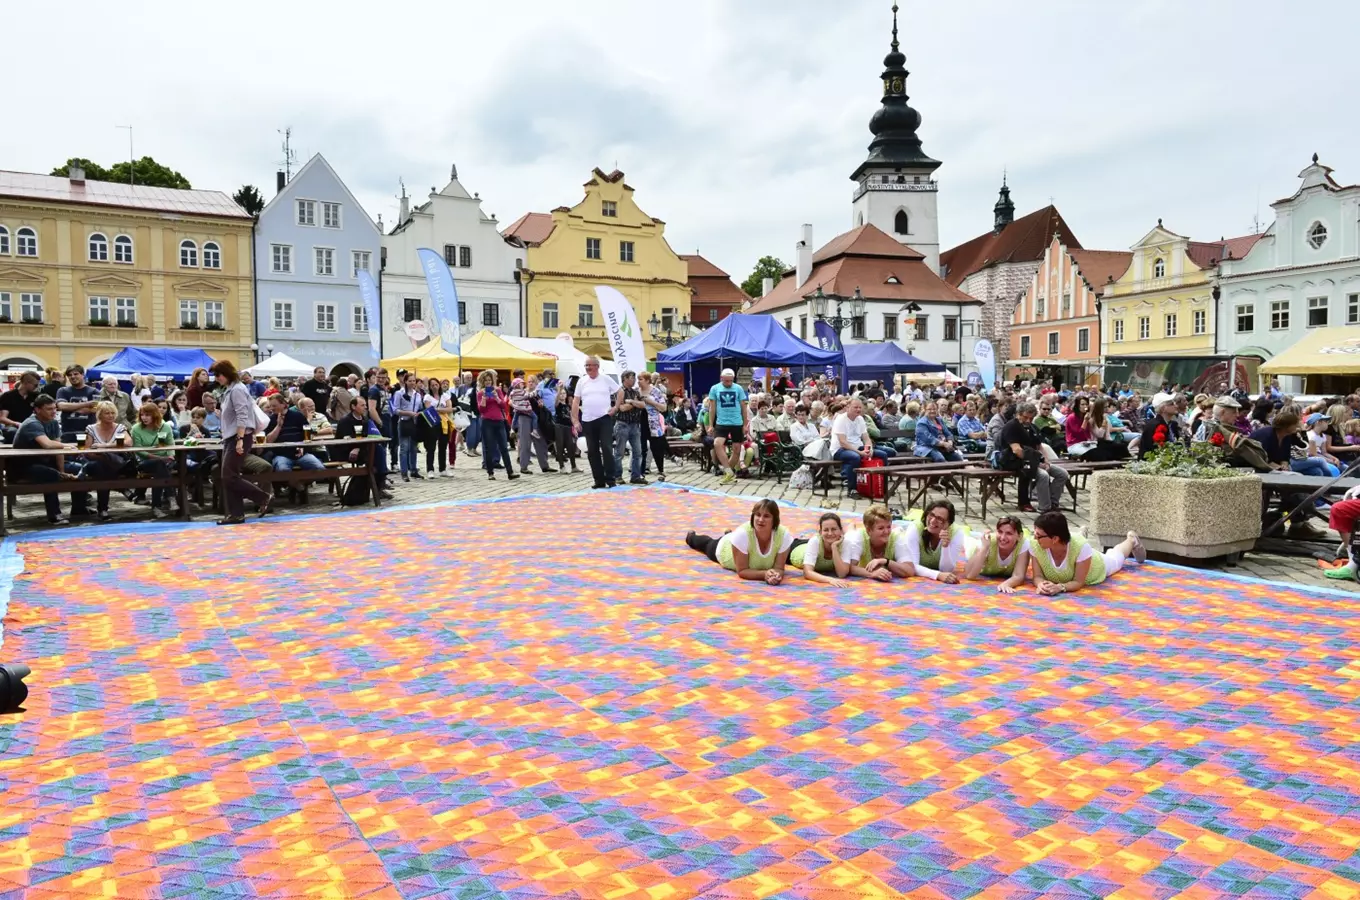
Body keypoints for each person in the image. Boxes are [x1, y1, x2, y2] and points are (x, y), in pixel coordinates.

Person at [12, 394, 91, 523]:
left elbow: (57, 448)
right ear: (37, 410)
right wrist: (68, 446)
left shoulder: (53, 422)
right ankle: (54, 515)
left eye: (54, 408)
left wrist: (62, 470)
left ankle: (79, 508)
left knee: (80, 468)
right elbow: (48, 444)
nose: (54, 412)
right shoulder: (32, 423)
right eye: (49, 409)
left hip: (46, 462)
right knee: (50, 475)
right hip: (24, 466)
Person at [211, 359, 272, 525]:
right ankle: (236, 514)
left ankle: (263, 497)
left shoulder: (237, 389)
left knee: (229, 476)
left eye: (218, 374)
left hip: (239, 437)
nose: (216, 378)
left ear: (227, 373)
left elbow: (242, 415)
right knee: (230, 476)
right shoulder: (231, 389)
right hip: (233, 437)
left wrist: (239, 439)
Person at [1026, 511, 1144, 594]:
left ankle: (1131, 540)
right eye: (1035, 533)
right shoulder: (1035, 544)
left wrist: (1060, 587)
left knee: (1116, 558)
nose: (1035, 537)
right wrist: (1040, 584)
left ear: (1055, 539)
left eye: (1039, 535)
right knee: (1078, 546)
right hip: (1074, 549)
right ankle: (1080, 535)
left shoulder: (1081, 547)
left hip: (1095, 566)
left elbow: (1078, 582)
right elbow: (1037, 576)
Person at [684, 499, 793, 583]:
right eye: (758, 515)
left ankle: (729, 534)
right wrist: (765, 575)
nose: (760, 520)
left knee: (737, 538)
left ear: (775, 520)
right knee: (706, 543)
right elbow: (742, 571)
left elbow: (779, 568)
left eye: (766, 516)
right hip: (724, 550)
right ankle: (691, 537)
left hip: (738, 540)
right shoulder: (742, 534)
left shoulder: (783, 535)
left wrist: (776, 576)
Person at [998, 401, 1070, 513]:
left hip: (1033, 459)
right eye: (1025, 417)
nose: (1028, 420)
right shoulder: (1011, 426)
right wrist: (1036, 462)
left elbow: (1039, 446)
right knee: (1043, 475)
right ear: (1018, 414)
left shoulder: (1032, 427)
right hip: (1014, 460)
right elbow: (1017, 450)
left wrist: (1046, 461)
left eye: (1031, 418)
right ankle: (1045, 508)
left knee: (1062, 474)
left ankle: (1053, 502)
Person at [571, 357, 619, 489]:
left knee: (607, 448)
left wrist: (616, 407)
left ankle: (611, 479)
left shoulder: (605, 379)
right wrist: (575, 420)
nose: (587, 368)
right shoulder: (582, 381)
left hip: (604, 418)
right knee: (592, 451)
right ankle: (599, 480)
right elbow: (575, 401)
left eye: (590, 365)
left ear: (597, 366)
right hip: (587, 420)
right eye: (586, 366)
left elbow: (620, 392)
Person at [83, 400, 133, 521]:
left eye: (112, 413)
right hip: (95, 462)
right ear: (100, 414)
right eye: (107, 413)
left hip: (112, 465)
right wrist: (102, 454)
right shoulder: (91, 428)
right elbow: (86, 450)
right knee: (102, 464)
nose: (111, 415)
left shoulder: (120, 427)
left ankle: (103, 510)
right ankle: (120, 489)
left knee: (104, 472)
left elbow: (128, 442)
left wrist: (106, 446)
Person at [832, 398, 893, 495]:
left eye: (860, 407)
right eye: (855, 407)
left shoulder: (860, 419)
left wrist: (869, 449)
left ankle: (883, 487)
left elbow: (866, 438)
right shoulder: (841, 419)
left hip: (857, 447)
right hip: (840, 449)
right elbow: (843, 442)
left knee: (883, 455)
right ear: (848, 407)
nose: (858, 410)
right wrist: (860, 453)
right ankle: (852, 489)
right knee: (854, 457)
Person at [837, 504, 912, 581]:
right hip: (853, 537)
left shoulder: (896, 537)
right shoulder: (859, 537)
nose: (886, 531)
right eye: (881, 528)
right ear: (869, 530)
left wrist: (885, 561)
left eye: (889, 527)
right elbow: (849, 567)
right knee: (849, 535)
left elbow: (910, 570)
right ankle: (850, 528)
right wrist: (872, 574)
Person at [130, 401, 178, 517]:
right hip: (145, 461)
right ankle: (171, 497)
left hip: (165, 460)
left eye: (148, 415)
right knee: (160, 464)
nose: (144, 417)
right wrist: (159, 457)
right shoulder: (136, 428)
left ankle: (157, 507)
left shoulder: (165, 426)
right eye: (142, 415)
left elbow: (171, 444)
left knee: (160, 472)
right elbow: (139, 451)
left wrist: (170, 456)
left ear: (155, 415)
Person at [900, 500, 968, 583]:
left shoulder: (956, 532)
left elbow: (946, 570)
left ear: (948, 524)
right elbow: (912, 566)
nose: (932, 521)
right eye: (931, 515)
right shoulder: (915, 528)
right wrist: (937, 575)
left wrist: (945, 547)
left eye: (940, 519)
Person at [963, 516, 1032, 592]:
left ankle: (1025, 532)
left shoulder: (1024, 544)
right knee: (967, 541)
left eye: (1009, 533)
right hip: (973, 549)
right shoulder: (988, 542)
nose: (1002, 537)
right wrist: (984, 548)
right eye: (1000, 532)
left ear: (1019, 536)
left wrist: (1006, 584)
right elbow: (970, 575)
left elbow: (1019, 576)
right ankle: (966, 531)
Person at [706, 368, 750, 486]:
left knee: (737, 449)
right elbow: (712, 408)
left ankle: (728, 473)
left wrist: (745, 424)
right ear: (721, 379)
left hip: (736, 422)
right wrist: (711, 425)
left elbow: (743, 407)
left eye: (730, 381)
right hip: (722, 422)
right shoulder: (715, 388)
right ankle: (728, 470)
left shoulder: (738, 388)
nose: (728, 383)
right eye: (726, 381)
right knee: (717, 444)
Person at [262, 394, 325, 473]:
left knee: (320, 469)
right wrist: (278, 426)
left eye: (274, 406)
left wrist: (303, 448)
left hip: (301, 453)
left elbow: (308, 435)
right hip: (281, 455)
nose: (271, 409)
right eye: (270, 406)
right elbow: (269, 441)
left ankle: (300, 483)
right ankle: (297, 485)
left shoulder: (297, 416)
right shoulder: (270, 420)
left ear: (283, 404)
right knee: (283, 470)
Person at [787, 512, 851, 587]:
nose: (830, 533)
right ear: (820, 532)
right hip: (795, 548)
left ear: (841, 530)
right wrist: (830, 580)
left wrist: (834, 548)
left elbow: (842, 574)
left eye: (833, 529)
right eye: (826, 530)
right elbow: (807, 572)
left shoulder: (845, 543)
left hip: (812, 544)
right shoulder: (815, 541)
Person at [475, 369, 517, 481]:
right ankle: (490, 473)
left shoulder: (497, 390)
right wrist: (484, 399)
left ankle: (510, 472)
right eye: (486, 380)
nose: (488, 382)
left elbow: (503, 405)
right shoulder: (480, 393)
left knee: (503, 447)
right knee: (489, 448)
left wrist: (497, 398)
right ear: (483, 382)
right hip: (487, 422)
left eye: (489, 380)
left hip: (499, 421)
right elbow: (481, 410)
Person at [511, 372, 554, 476]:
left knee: (541, 442)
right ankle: (524, 467)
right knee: (525, 443)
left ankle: (545, 466)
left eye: (532, 382)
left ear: (536, 383)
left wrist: (541, 405)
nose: (530, 383)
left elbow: (540, 406)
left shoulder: (537, 394)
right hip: (524, 418)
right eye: (529, 382)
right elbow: (513, 403)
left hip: (535, 420)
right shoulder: (522, 392)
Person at [612, 370, 648, 485]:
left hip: (635, 425)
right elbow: (622, 408)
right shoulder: (619, 392)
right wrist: (635, 403)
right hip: (622, 424)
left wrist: (631, 401)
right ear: (625, 379)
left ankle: (635, 476)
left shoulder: (635, 392)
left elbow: (643, 405)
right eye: (632, 378)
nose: (634, 380)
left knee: (638, 452)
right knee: (619, 452)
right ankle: (617, 476)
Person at [389, 373, 425, 481]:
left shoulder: (417, 395)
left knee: (413, 448)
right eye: (410, 381)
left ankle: (413, 470)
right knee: (404, 448)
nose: (412, 383)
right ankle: (404, 472)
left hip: (415, 423)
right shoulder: (399, 393)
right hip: (404, 422)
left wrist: (419, 413)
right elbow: (395, 410)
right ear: (405, 381)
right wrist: (408, 413)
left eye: (414, 381)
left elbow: (420, 408)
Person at [56, 364, 100, 442]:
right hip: (68, 433)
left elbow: (96, 409)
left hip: (89, 433)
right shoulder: (62, 390)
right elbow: (61, 406)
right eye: (69, 375)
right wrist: (87, 404)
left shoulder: (94, 391)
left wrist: (71, 407)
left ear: (82, 375)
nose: (72, 377)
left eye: (76, 374)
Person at [639, 372, 670, 481]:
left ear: (647, 380)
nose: (638, 381)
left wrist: (651, 402)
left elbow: (663, 408)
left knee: (657, 447)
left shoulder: (656, 392)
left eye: (640, 379)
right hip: (640, 421)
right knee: (641, 448)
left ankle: (660, 470)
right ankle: (641, 472)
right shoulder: (636, 391)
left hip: (654, 422)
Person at [1137, 394, 1181, 459]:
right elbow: (1153, 450)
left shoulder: (1173, 424)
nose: (1176, 406)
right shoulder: (1154, 425)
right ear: (1163, 408)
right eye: (1172, 404)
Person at [0, 371, 41, 439]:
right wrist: (17, 423)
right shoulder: (8, 396)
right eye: (35, 385)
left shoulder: (36, 396)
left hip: (32, 425)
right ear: (26, 383)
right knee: (12, 433)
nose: (37, 387)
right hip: (13, 426)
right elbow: (2, 418)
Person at [1304, 412, 1342, 477]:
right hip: (1313, 459)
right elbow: (1313, 454)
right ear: (1318, 422)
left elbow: (1324, 452)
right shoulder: (1310, 435)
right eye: (1326, 421)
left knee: (1343, 467)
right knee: (1332, 470)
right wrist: (1329, 461)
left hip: (1321, 457)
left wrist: (1335, 459)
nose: (1327, 423)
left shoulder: (1323, 436)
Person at [552, 383, 578, 473]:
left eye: (564, 393)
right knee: (560, 446)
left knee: (571, 446)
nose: (562, 395)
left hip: (568, 427)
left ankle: (574, 466)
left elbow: (571, 417)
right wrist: (559, 389)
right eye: (561, 394)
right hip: (559, 426)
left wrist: (574, 427)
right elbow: (556, 400)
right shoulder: (558, 404)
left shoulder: (568, 405)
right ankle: (562, 466)